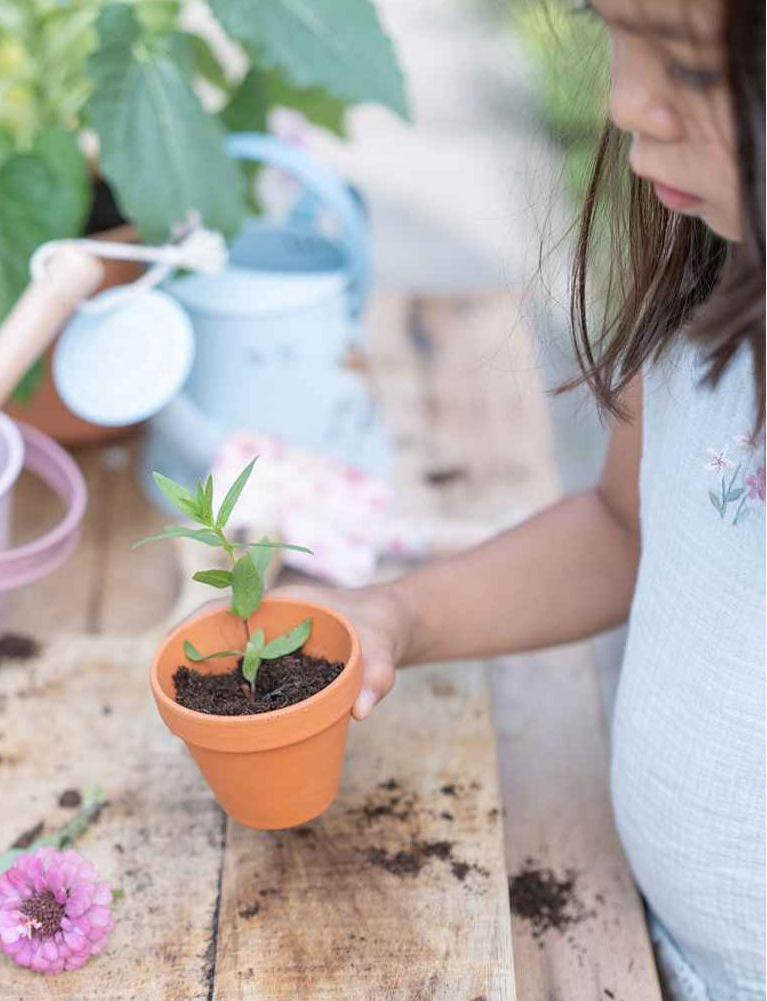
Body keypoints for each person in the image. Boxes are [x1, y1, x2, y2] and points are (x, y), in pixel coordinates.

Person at [274, 0, 764, 997]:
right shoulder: (705, 290)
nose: (625, 102)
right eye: (609, 37)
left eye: (693, 70)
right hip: (650, 950)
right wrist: (399, 614)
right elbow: (625, 527)